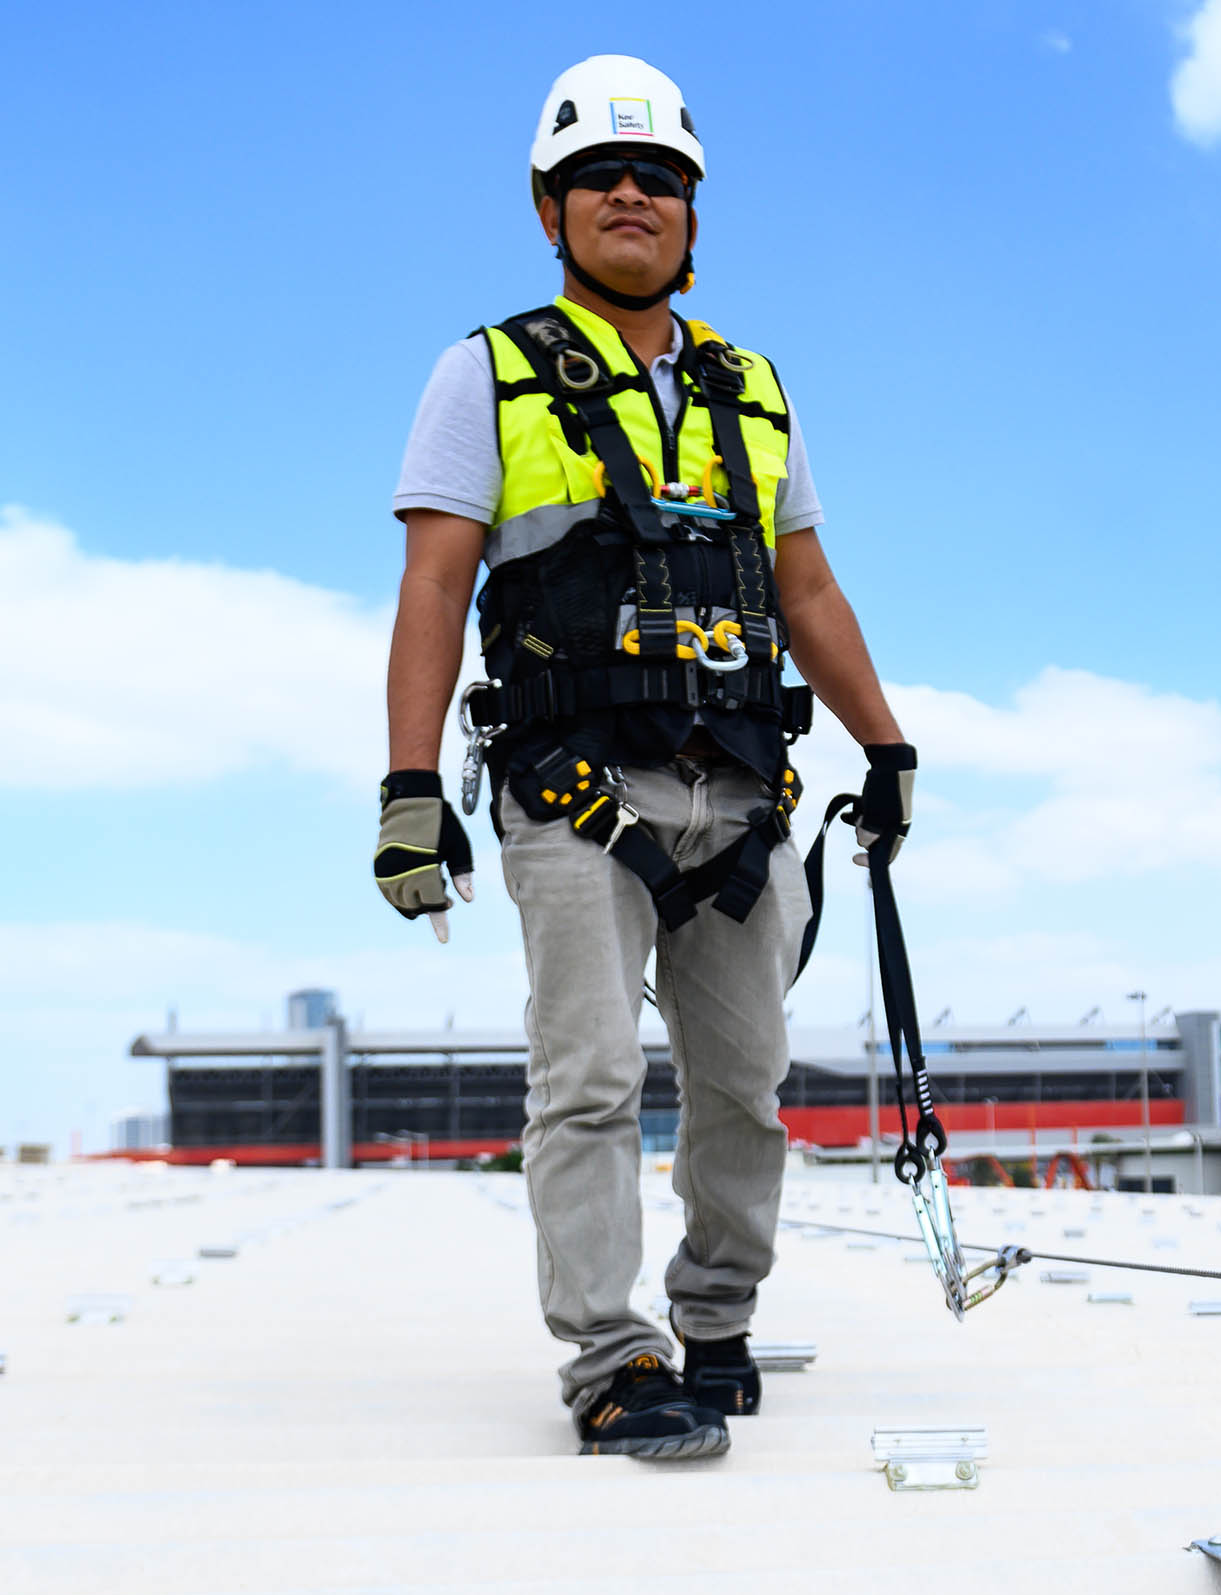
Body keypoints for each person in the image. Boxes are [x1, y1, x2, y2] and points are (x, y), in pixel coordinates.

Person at [377, 55, 914, 1458]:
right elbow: (435, 588)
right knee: (592, 1082)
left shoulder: (752, 387)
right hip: (575, 790)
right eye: (600, 177)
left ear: (691, 210)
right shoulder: (482, 372)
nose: (632, 193)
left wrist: (889, 743)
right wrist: (409, 790)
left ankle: (717, 1320)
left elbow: (807, 589)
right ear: (549, 209)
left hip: (740, 788)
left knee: (746, 1082)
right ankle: (614, 1362)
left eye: (659, 177)